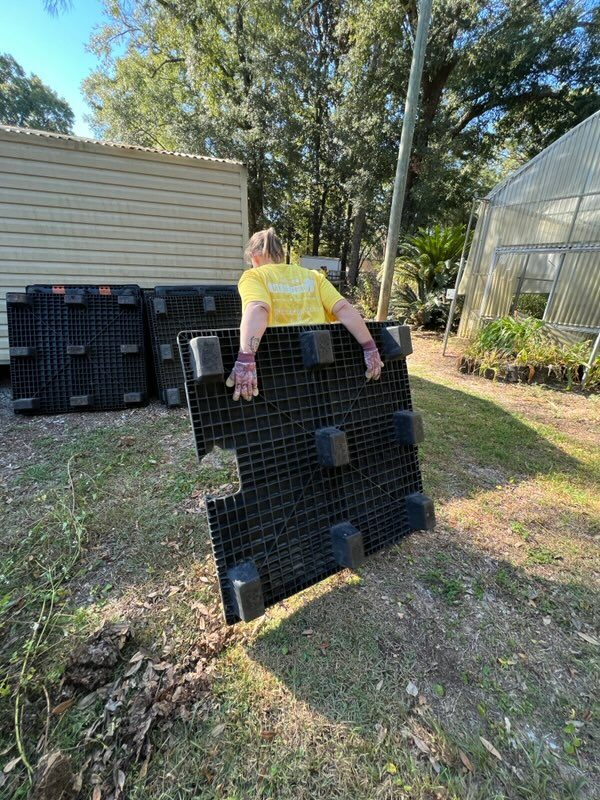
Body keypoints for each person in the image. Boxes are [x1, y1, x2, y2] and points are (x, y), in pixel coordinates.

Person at [226, 228, 384, 401]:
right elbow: (344, 309)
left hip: (277, 375)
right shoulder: (313, 277)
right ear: (280, 254)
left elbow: (257, 309)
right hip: (321, 375)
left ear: (254, 258)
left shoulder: (253, 276)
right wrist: (370, 348)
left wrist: (246, 358)